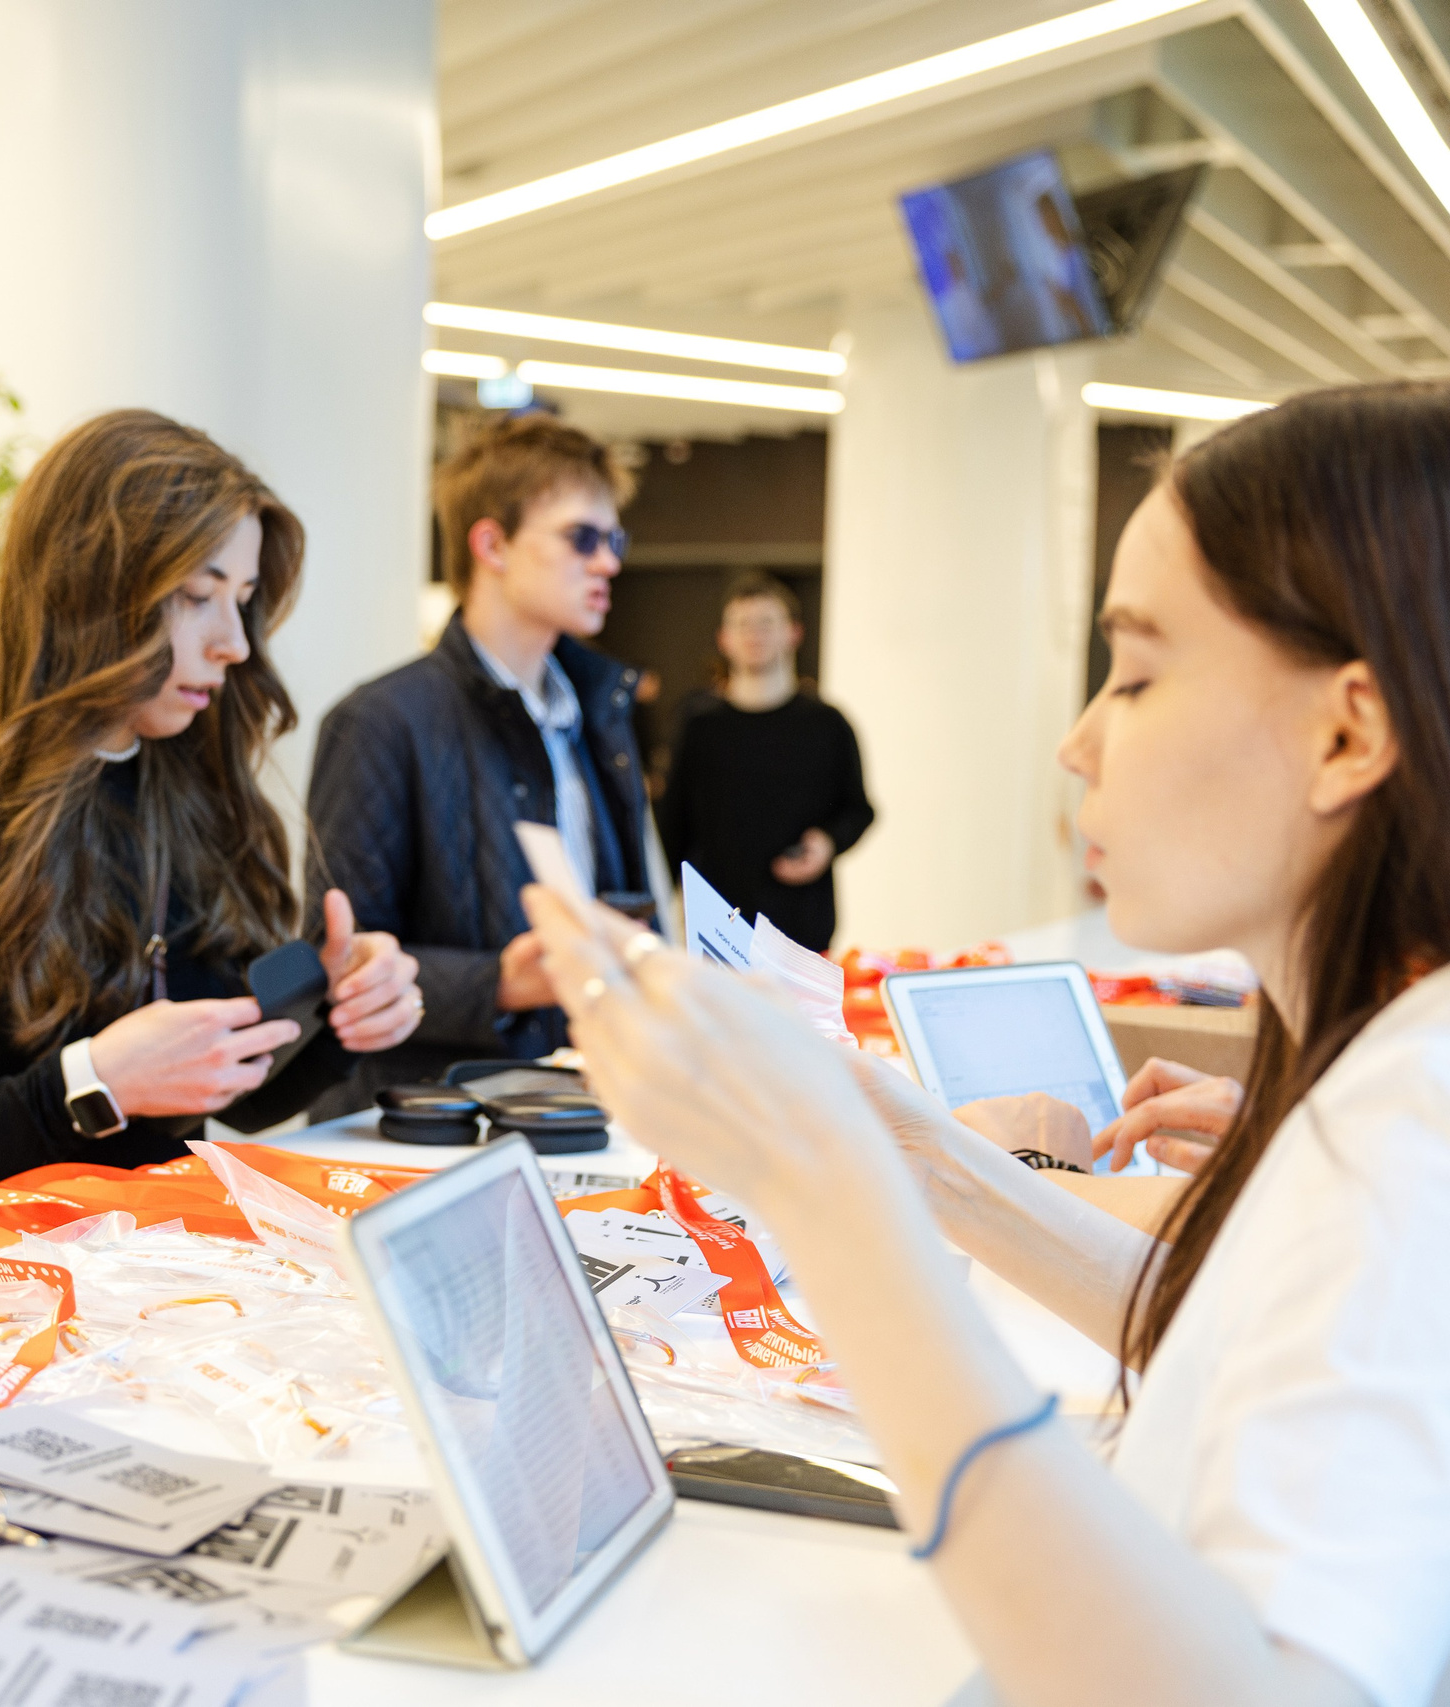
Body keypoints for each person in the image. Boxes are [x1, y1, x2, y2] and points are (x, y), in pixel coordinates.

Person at [526, 383, 1450, 1707]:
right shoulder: (1385, 1071)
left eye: (1135, 673)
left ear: (1348, 730)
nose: (1078, 742)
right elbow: (1206, 1324)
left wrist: (829, 1191)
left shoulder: (1413, 1124)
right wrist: (910, 1145)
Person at [0, 410, 421, 1206]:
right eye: (198, 596)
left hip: (157, 1277)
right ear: (89, 592)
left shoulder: (186, 791)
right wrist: (88, 1084)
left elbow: (231, 1093)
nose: (233, 642)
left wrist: (341, 1014)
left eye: (242, 598)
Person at [301, 412, 662, 1116]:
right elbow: (341, 960)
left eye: (613, 539)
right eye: (581, 538)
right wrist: (500, 980)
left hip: (575, 1102)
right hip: (420, 1123)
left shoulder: (598, 711)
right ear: (491, 542)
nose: (608, 562)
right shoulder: (380, 721)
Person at [658, 573, 874, 949]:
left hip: (803, 925)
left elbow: (858, 810)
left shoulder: (828, 724)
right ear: (723, 639)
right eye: (742, 624)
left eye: (767, 623)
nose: (754, 634)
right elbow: (671, 826)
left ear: (794, 633)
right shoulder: (698, 727)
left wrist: (826, 842)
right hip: (717, 926)